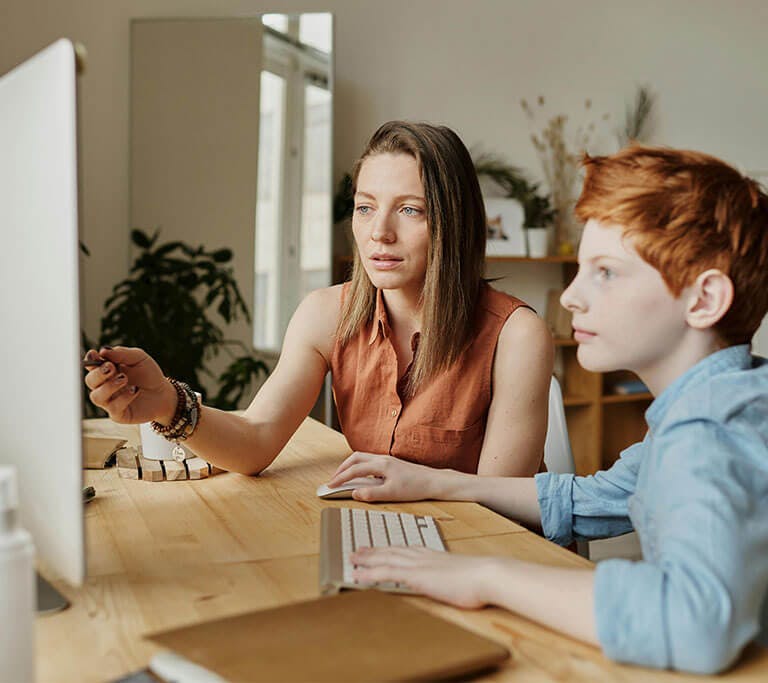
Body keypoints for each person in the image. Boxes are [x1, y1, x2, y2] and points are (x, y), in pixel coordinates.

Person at [336, 145, 768, 674]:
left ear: (703, 300)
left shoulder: (710, 432)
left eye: (606, 273)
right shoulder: (724, 401)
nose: (570, 297)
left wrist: (486, 578)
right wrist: (437, 482)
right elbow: (597, 496)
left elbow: (692, 624)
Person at [84, 120, 553, 477]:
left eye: (410, 210)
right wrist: (167, 402)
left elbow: (499, 507)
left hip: (489, 557)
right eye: (365, 207)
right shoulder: (326, 314)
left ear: (455, 223)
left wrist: (407, 487)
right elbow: (255, 440)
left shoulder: (517, 335)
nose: (379, 233)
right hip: (391, 540)